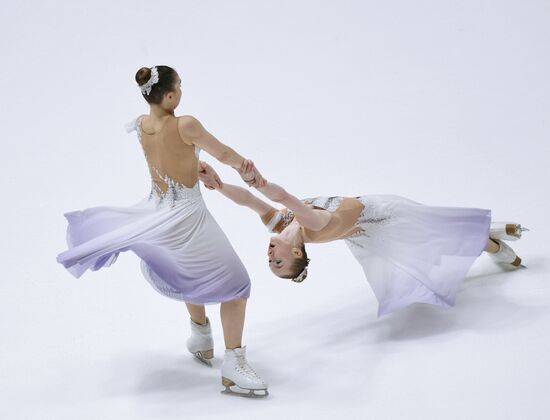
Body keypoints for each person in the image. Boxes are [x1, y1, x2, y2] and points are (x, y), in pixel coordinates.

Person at [56, 65, 269, 398]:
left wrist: (191, 164)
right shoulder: (186, 124)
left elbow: (169, 159)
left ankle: (200, 336)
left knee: (186, 269)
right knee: (238, 287)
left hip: (158, 209)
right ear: (169, 95)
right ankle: (233, 365)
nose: (183, 91)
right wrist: (248, 170)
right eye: (180, 86)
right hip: (186, 214)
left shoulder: (142, 125)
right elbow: (223, 152)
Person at [198, 160, 528, 317]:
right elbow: (285, 196)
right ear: (297, 250)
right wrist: (259, 180)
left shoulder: (277, 224)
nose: (270, 256)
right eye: (279, 262)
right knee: (437, 243)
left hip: (376, 211)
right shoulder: (313, 225)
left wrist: (219, 185)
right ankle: (493, 242)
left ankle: (491, 233)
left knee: (438, 235)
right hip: (384, 222)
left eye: (270, 261)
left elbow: (249, 202)